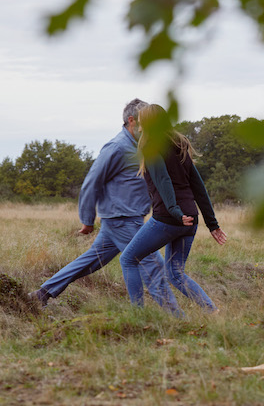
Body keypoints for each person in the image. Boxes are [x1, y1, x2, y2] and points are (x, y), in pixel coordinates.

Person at [29, 99, 181, 315]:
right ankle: (176, 319)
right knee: (153, 266)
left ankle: (41, 295)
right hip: (123, 220)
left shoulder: (142, 147)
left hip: (128, 219)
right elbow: (92, 182)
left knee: (91, 262)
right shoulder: (117, 147)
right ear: (132, 121)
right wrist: (87, 220)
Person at [119, 104, 227, 315]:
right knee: (175, 273)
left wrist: (176, 212)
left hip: (170, 219)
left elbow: (164, 180)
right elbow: (199, 188)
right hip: (190, 219)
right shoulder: (180, 146)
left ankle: (137, 315)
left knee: (129, 258)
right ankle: (212, 312)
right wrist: (212, 224)